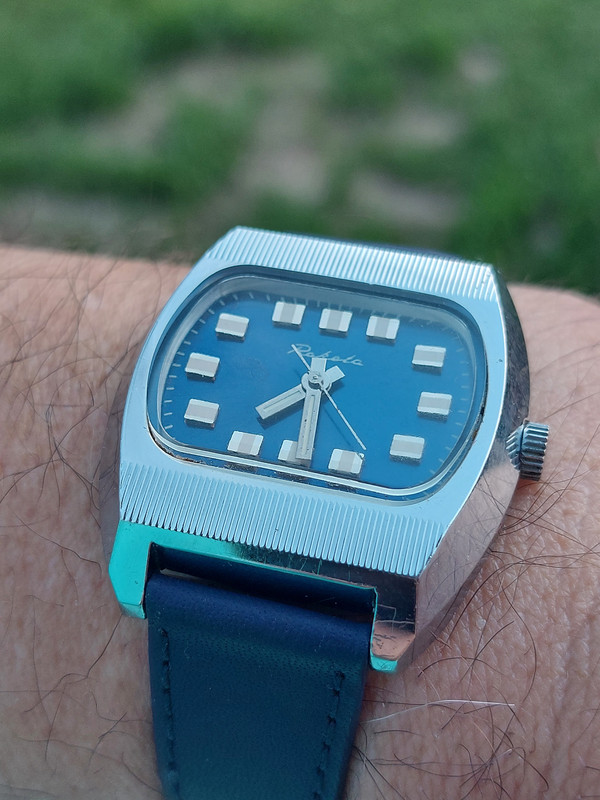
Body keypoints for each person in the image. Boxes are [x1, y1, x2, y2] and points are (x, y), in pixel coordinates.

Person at [0, 243, 598, 800]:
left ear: (519, 446)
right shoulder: (241, 285)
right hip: (180, 553)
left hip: (339, 585)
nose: (315, 382)